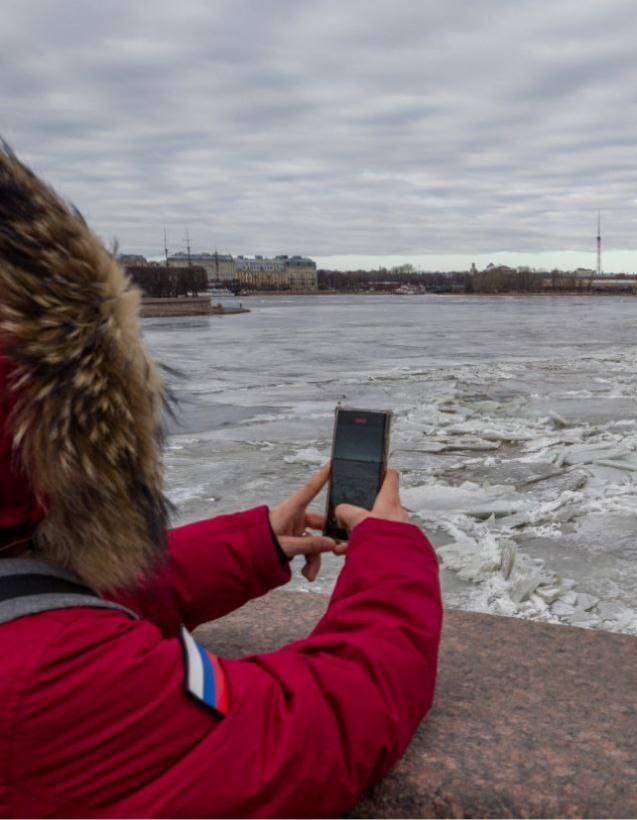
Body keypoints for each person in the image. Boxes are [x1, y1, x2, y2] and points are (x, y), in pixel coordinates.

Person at [0, 143, 443, 816]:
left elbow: (31, 598)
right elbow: (315, 725)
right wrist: (393, 553)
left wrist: (253, 544)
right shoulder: (45, 685)